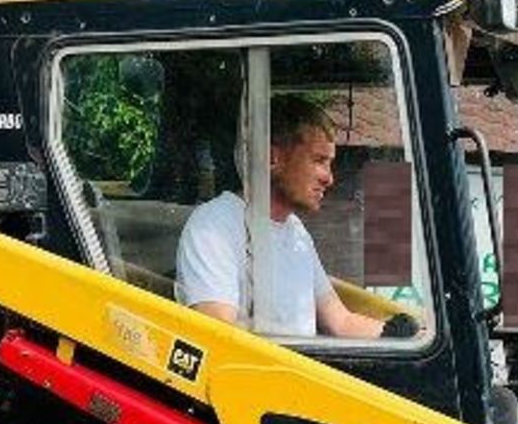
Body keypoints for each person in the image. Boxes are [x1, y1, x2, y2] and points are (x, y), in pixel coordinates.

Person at [175, 94, 414, 340]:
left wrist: (404, 335)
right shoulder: (215, 226)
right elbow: (220, 335)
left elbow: (340, 321)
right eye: (319, 160)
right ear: (272, 159)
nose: (329, 178)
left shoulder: (296, 231)